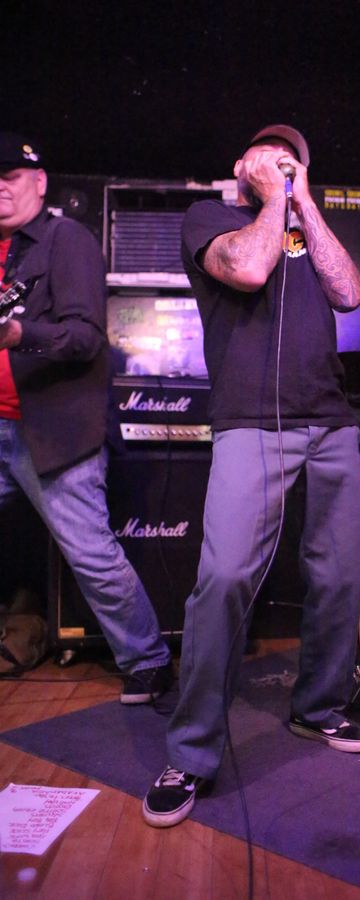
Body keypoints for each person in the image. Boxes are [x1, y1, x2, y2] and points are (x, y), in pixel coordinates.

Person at [143, 124, 360, 828]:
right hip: (252, 422)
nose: (281, 163)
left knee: (341, 575)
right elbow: (245, 270)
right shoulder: (209, 218)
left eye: (292, 158)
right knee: (224, 578)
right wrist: (275, 197)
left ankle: (318, 708)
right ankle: (190, 752)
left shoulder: (305, 222)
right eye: (268, 154)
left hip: (330, 421)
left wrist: (305, 204)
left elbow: (349, 293)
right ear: (240, 164)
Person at [0, 132, 172, 701]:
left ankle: (148, 659)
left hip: (48, 431)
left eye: (10, 177)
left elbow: (85, 337)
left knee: (91, 552)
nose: (0, 188)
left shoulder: (64, 239)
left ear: (39, 182)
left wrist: (19, 332)